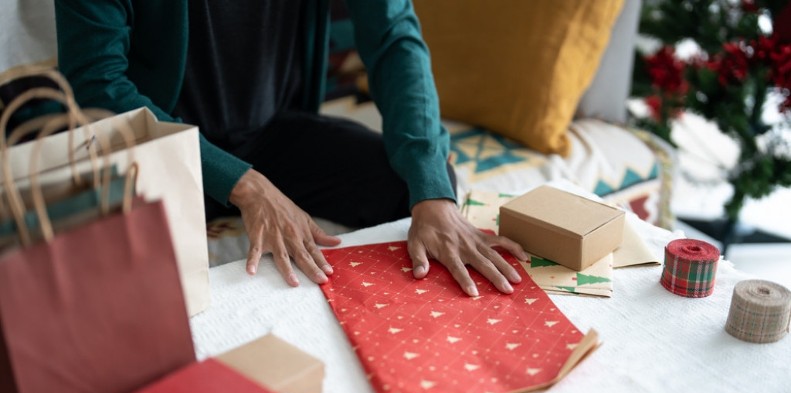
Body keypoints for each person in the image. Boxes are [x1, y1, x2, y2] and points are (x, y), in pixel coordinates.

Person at [54, 0, 527, 297]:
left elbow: (393, 37)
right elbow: (97, 82)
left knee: (418, 184)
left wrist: (432, 192)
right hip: (157, 155)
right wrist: (242, 183)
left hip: (274, 133)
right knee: (100, 276)